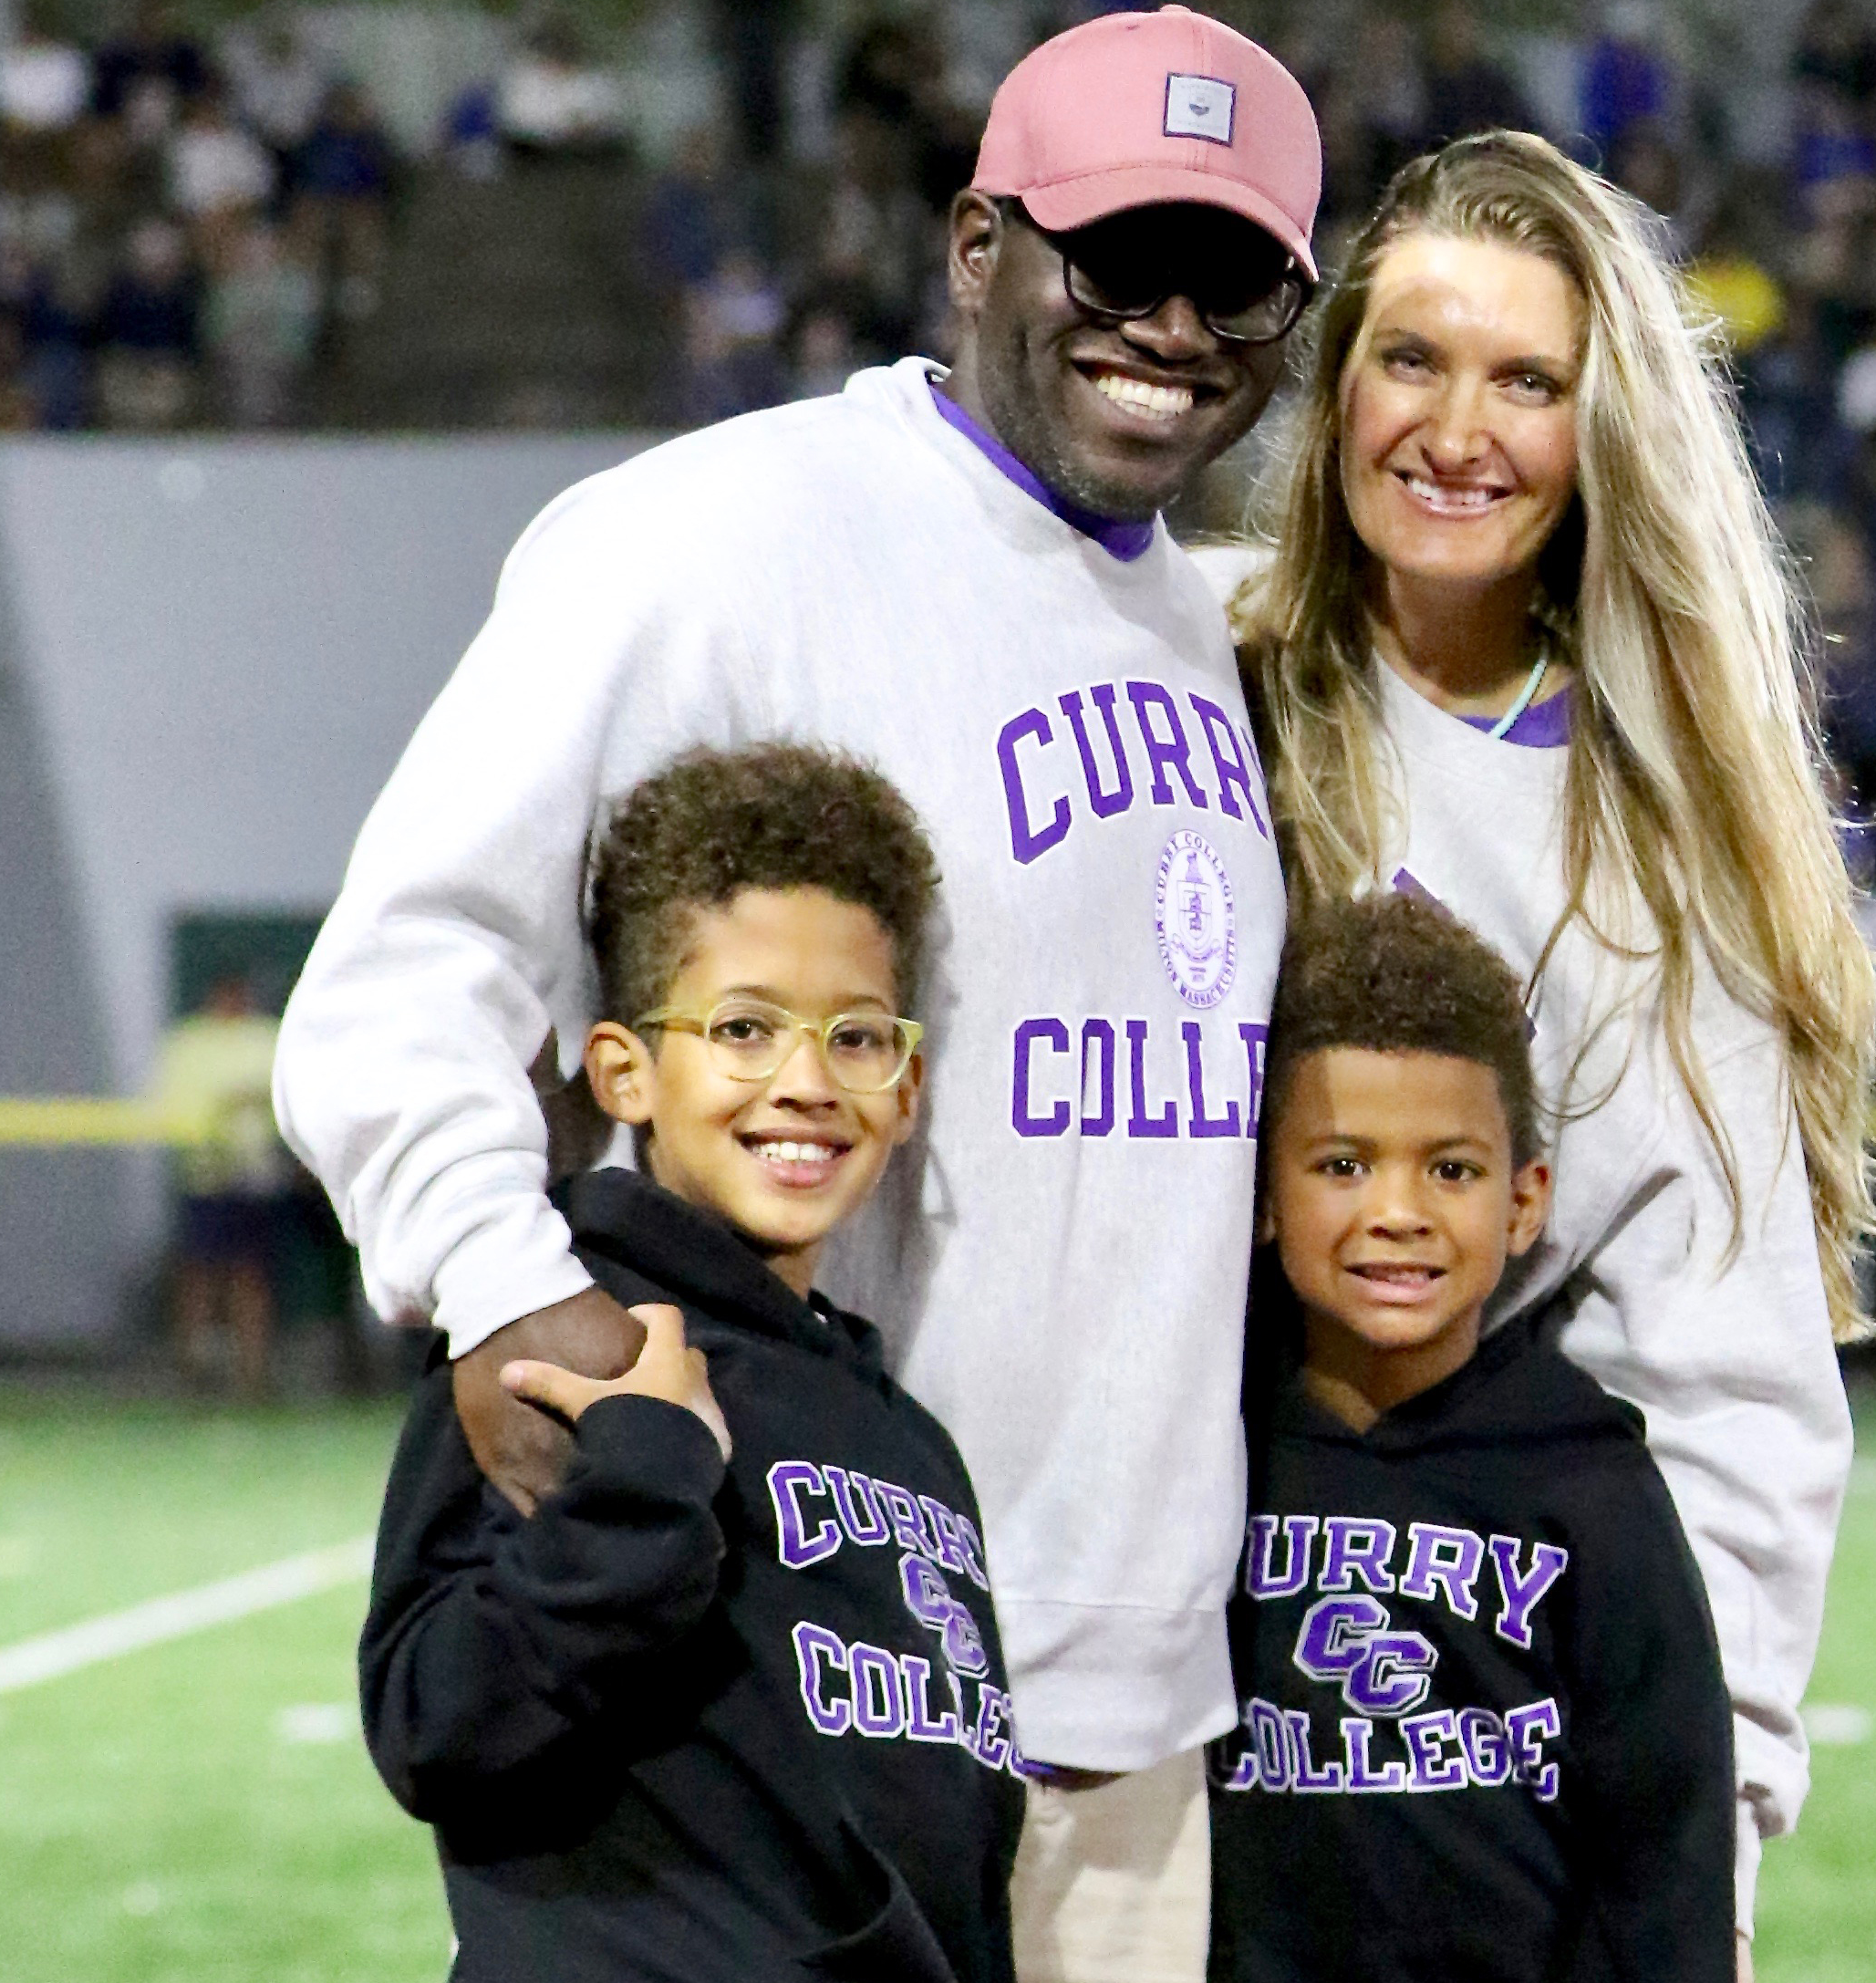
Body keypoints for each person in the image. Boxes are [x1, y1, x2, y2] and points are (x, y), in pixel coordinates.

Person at [275, 14, 1322, 1975]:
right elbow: (401, 969)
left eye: (1235, 279)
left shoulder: (1198, 617)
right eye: (1119, 261)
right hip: (806, 1677)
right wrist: (500, 1273)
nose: (1175, 328)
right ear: (977, 246)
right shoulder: (713, 535)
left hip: (1140, 1711)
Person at [1221, 133, 1875, 1972]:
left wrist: (1710, 1841)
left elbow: (1725, 1374)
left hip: (1458, 1696)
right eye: (1411, 358)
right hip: (1160, 1651)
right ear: (1333, 377)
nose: (1457, 426)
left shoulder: (1664, 834)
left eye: (1529, 380)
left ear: (1604, 437)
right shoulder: (1184, 684)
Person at [361, 743, 1021, 1983]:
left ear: (912, 1081)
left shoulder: (904, 1435)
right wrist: (644, 1472)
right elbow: (436, 1727)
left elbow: (953, 1847)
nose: (808, 1082)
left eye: (858, 1037)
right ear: (625, 1068)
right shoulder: (565, 1342)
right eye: (744, 1028)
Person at [1208, 895, 1735, 1983]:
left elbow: (1664, 1846)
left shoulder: (1591, 1479)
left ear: (1525, 1199)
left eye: (1450, 1168)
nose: (1398, 1209)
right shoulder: (1210, 1452)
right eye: (1344, 1164)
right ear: (1264, 1190)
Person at [155, 973, 287, 1397]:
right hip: (204, 1173)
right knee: (200, 1274)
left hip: (254, 1175)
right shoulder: (190, 1042)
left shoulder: (264, 1037)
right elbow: (173, 1101)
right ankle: (193, 1369)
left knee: (250, 1276)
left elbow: (279, 1093)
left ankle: (251, 1376)